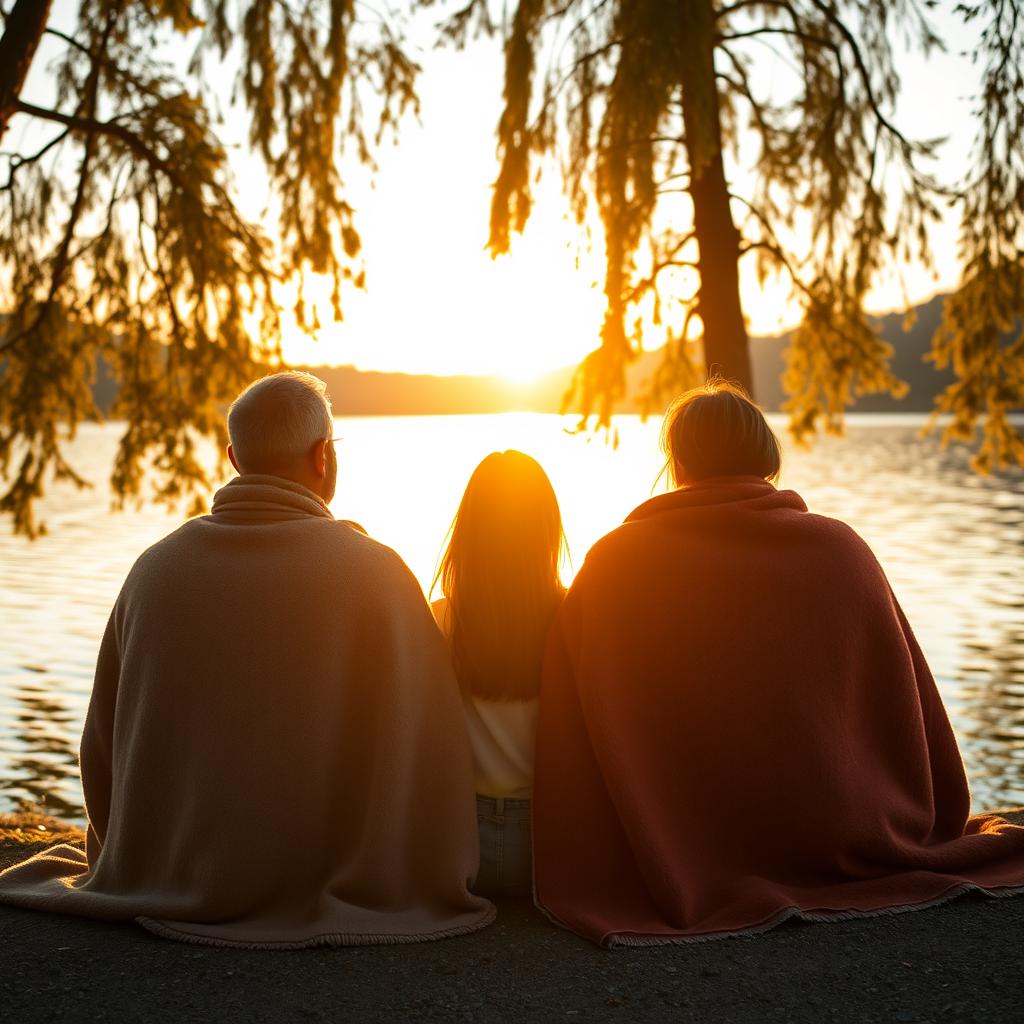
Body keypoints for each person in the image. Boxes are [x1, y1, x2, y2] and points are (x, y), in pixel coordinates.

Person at [0, 371, 494, 947]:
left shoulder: (153, 572)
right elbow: (428, 748)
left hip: (165, 872)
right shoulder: (379, 577)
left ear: (235, 458)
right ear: (324, 458)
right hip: (330, 879)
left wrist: (132, 855)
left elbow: (102, 746)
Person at [533, 378, 1024, 946]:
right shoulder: (841, 549)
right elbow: (909, 713)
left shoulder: (614, 563)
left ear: (679, 459)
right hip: (842, 832)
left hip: (685, 850)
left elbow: (575, 721)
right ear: (766, 454)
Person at [432, 451, 567, 896]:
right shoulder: (574, 615)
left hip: (459, 848)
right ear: (548, 531)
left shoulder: (440, 619)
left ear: (469, 531)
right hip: (550, 847)